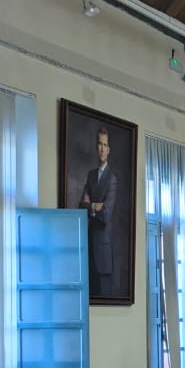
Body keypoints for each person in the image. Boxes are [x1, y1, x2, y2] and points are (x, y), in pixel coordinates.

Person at [78, 125, 118, 299]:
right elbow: (81, 206)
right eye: (99, 144)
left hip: (103, 254)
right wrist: (96, 206)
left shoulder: (112, 179)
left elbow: (106, 215)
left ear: (108, 150)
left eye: (105, 145)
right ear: (97, 147)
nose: (102, 149)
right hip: (89, 250)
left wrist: (91, 207)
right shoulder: (90, 175)